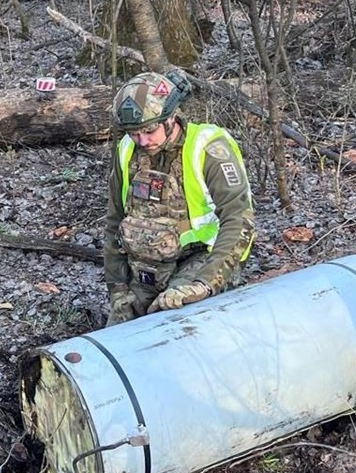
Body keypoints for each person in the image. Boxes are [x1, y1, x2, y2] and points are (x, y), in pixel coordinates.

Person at [103, 71, 255, 325]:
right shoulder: (127, 150)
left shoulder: (208, 148)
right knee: (116, 337)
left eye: (149, 130)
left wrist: (205, 283)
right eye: (134, 133)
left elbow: (239, 219)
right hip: (145, 268)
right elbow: (114, 221)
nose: (143, 140)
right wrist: (117, 287)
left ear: (171, 118)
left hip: (200, 262)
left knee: (174, 330)